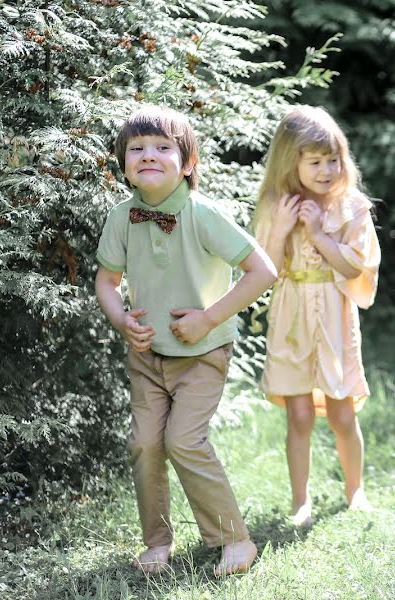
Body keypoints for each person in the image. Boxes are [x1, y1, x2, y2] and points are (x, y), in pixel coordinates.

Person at [95, 105, 276, 576]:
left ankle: (234, 539)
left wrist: (208, 318)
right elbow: (106, 281)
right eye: (137, 149)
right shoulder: (121, 217)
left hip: (203, 354)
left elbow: (263, 271)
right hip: (147, 355)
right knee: (145, 444)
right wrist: (121, 321)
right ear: (124, 163)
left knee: (184, 441)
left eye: (162, 147)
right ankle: (157, 543)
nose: (148, 155)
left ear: (188, 162)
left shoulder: (202, 214)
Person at [253, 105, 380, 528]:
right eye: (315, 161)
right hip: (291, 316)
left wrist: (319, 235)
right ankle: (300, 501)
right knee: (300, 414)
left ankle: (355, 489)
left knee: (343, 413)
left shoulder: (351, 206)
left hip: (333, 314)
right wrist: (281, 228)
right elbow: (264, 271)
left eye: (333, 159)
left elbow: (353, 267)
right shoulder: (277, 204)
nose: (327, 170)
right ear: (292, 161)